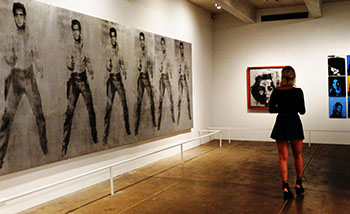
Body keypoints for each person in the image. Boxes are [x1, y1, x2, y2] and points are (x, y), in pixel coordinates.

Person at [0, 2, 48, 168]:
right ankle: (0, 157)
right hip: (16, 77)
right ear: (14, 17)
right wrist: (9, 58)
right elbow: (7, 57)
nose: (19, 18)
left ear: (25, 17)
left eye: (22, 15)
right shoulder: (11, 35)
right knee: (7, 117)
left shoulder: (30, 35)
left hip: (29, 77)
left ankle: (45, 149)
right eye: (17, 15)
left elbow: (36, 56)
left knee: (40, 114)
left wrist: (41, 70)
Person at [269, 66, 306, 200]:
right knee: (298, 155)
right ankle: (298, 184)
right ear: (294, 77)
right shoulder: (298, 92)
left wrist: (282, 107)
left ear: (282, 76)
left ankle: (285, 186)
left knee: (282, 157)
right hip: (294, 123)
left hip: (281, 123)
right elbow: (302, 110)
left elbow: (272, 110)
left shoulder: (276, 92)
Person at [62, 19, 98, 156]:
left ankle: (95, 138)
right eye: (74, 30)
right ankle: (64, 145)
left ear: (80, 31)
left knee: (91, 110)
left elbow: (88, 61)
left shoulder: (84, 46)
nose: (76, 32)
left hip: (83, 79)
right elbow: (69, 65)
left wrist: (91, 71)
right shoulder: (69, 46)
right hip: (74, 80)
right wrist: (70, 63)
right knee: (69, 113)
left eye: (77, 30)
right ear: (72, 31)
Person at [103, 27, 131, 145]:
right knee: (108, 108)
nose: (113, 38)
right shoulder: (107, 49)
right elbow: (107, 67)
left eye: (115, 36)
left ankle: (128, 130)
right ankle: (105, 136)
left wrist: (124, 71)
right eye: (112, 36)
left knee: (124, 104)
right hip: (111, 80)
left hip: (118, 79)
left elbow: (122, 63)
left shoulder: (119, 50)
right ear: (110, 37)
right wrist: (109, 64)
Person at [134, 32, 156, 135]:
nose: (142, 41)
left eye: (143, 40)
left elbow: (151, 65)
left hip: (146, 77)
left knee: (151, 100)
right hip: (140, 78)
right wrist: (138, 64)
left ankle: (154, 123)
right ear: (139, 41)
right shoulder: (138, 53)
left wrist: (151, 75)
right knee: (138, 102)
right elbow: (137, 67)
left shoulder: (148, 53)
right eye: (140, 40)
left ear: (144, 41)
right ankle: (136, 127)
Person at [157, 37, 175, 130]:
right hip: (162, 78)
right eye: (162, 44)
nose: (163, 46)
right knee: (160, 100)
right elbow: (160, 69)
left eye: (164, 44)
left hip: (167, 78)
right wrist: (160, 67)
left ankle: (173, 119)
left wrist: (171, 75)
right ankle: (158, 123)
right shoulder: (160, 56)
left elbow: (170, 69)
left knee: (171, 99)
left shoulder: (168, 57)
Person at [177, 42, 192, 125]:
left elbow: (188, 73)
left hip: (184, 79)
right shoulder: (179, 60)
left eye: (182, 48)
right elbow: (179, 71)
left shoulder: (185, 61)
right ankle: (178, 119)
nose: (181, 50)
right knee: (179, 99)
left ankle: (189, 115)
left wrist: (188, 78)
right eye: (180, 48)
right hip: (180, 79)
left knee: (187, 98)